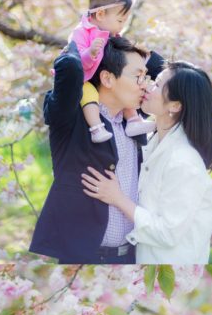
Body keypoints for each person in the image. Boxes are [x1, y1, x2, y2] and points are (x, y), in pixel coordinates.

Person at [29, 36, 164, 264]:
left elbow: (168, 72)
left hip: (133, 256)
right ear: (107, 78)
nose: (145, 84)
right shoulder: (73, 118)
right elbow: (70, 67)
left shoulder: (134, 122)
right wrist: (85, 40)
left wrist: (118, 38)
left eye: (145, 77)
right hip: (83, 257)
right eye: (137, 76)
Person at [81, 61, 212, 264]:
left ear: (175, 105)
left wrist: (117, 198)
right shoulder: (155, 141)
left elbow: (167, 233)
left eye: (157, 84)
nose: (147, 86)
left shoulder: (183, 161)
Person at [71, 0, 155, 143]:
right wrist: (90, 53)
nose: (122, 26)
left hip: (104, 77)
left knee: (127, 86)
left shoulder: (113, 35)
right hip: (83, 79)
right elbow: (74, 60)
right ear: (101, 14)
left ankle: (133, 121)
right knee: (89, 96)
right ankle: (96, 127)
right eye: (120, 20)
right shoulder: (80, 32)